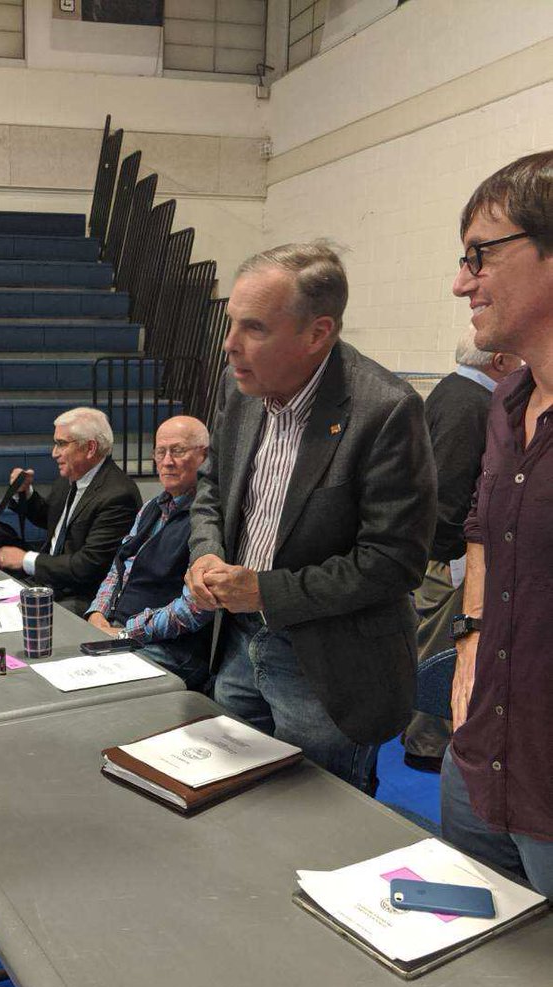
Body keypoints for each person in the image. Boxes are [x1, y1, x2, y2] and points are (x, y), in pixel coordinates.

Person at [186, 242, 435, 794]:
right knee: (230, 801)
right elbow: (212, 488)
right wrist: (206, 553)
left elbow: (393, 563)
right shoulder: (239, 386)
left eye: (254, 327)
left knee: (317, 819)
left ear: (317, 333)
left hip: (328, 667)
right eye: (232, 322)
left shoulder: (385, 410)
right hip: (237, 643)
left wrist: (266, 592)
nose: (230, 344)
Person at [442, 150, 553, 899]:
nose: (462, 282)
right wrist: (472, 639)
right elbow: (483, 529)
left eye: (480, 254)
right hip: (481, 757)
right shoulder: (507, 404)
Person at [403, 326, 520, 772]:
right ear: (499, 361)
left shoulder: (451, 391)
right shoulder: (471, 404)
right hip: (444, 559)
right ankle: (426, 745)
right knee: (438, 652)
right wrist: (456, 559)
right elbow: (450, 492)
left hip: (434, 552)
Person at [85, 415, 213, 688]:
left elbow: (196, 609)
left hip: (172, 649)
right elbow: (119, 568)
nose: (167, 461)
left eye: (178, 450)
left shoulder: (209, 522)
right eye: (160, 451)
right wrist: (97, 613)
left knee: (92, 687)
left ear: (204, 456)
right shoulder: (151, 507)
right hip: (121, 633)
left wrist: (126, 633)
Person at [0, 406, 141, 614]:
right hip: (48, 581)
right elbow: (52, 519)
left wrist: (25, 559)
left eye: (61, 444)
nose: (54, 453)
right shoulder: (71, 477)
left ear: (90, 448)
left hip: (80, 595)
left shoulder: (118, 495)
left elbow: (88, 566)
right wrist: (25, 493)